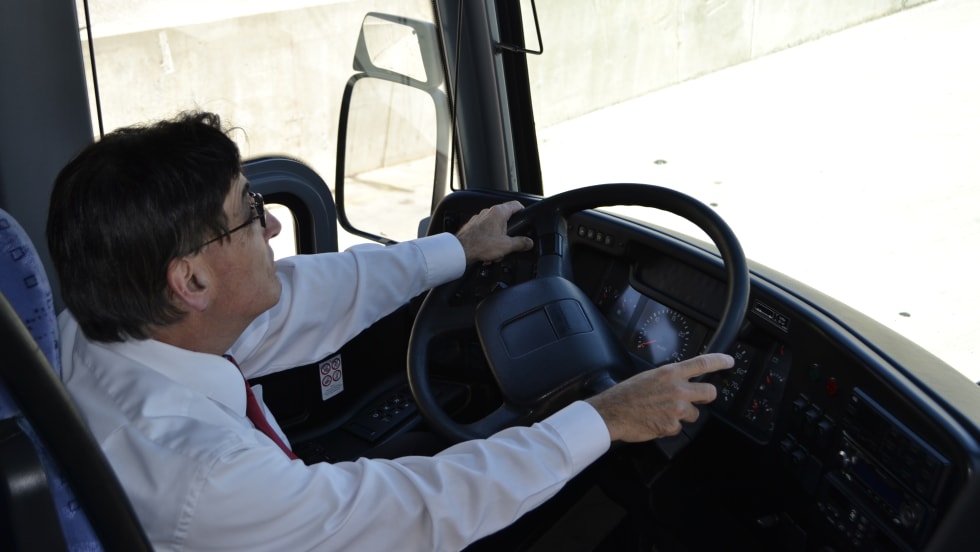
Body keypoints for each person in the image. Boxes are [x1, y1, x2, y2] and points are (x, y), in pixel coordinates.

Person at [46, 111, 733, 551]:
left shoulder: (101, 329)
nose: (274, 224)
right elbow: (421, 509)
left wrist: (457, 250)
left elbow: (306, 298)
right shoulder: (208, 475)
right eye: (249, 213)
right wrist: (604, 418)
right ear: (191, 281)